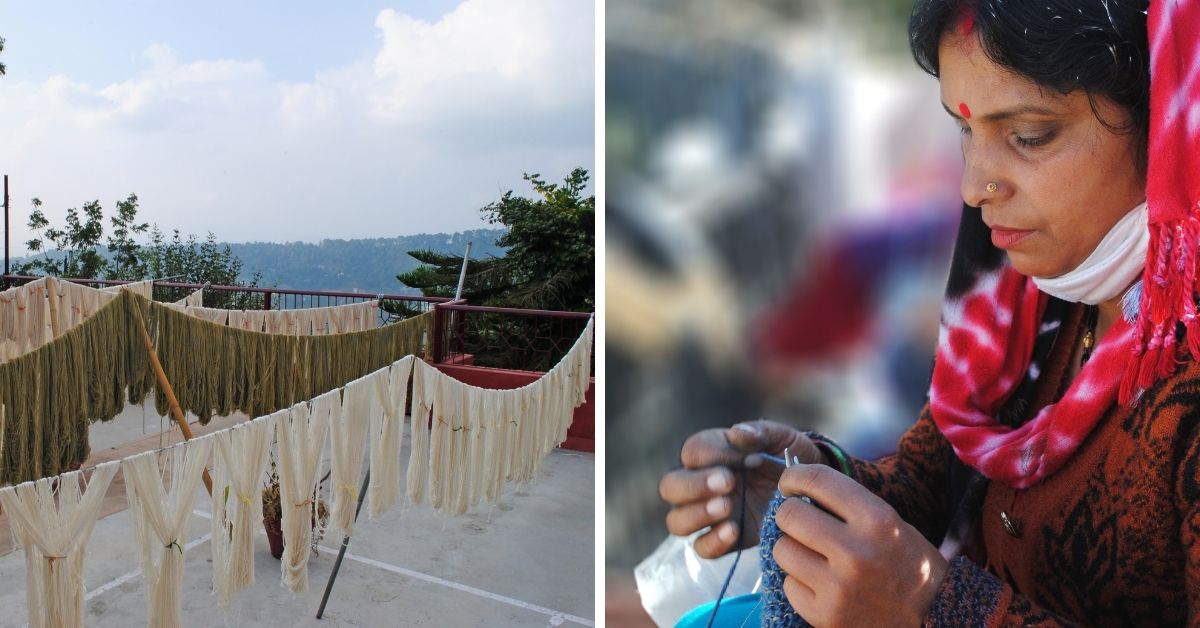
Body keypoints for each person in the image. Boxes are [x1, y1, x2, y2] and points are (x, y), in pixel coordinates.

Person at [658, 0, 1200, 625]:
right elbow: (937, 477)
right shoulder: (1031, 304)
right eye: (966, 131)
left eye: (1028, 136)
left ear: (1170, 122)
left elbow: (927, 592)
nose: (974, 186)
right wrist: (818, 483)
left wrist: (930, 607)